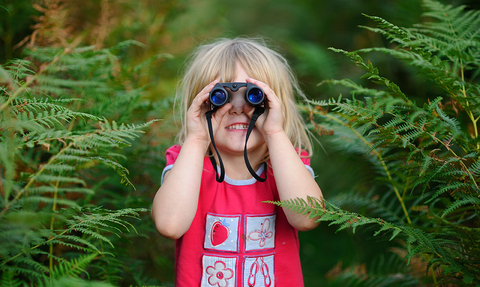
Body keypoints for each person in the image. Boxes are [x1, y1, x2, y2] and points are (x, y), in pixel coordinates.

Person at [151, 37, 323, 287]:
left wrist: (274, 134)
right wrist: (198, 138)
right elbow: (169, 224)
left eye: (253, 95)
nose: (237, 108)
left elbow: (307, 217)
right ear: (199, 104)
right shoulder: (187, 163)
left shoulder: (287, 165)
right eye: (220, 96)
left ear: (276, 105)